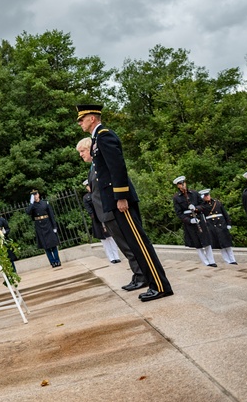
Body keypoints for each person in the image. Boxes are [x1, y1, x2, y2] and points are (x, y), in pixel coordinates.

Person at [77, 104, 172, 301]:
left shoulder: (104, 136)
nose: (79, 123)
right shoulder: (97, 138)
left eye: (81, 119)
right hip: (114, 201)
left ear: (92, 118)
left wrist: (120, 197)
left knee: (140, 243)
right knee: (135, 245)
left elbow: (117, 168)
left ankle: (160, 286)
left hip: (120, 200)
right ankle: (152, 283)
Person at [77, 137, 146, 291]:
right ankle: (138, 274)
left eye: (82, 151)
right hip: (106, 214)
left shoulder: (99, 166)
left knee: (128, 245)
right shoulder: (93, 168)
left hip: (111, 213)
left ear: (90, 149)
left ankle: (142, 275)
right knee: (124, 246)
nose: (81, 155)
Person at [172, 176, 216, 267]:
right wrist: (189, 220)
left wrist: (196, 208)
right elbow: (179, 213)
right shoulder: (176, 197)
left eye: (183, 183)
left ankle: (211, 261)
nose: (183, 185)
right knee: (197, 243)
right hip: (190, 222)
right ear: (178, 186)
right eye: (180, 184)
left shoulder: (194, 193)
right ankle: (205, 262)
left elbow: (203, 205)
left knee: (206, 241)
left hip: (199, 218)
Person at [197, 189, 237, 264]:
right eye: (205, 196)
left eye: (208, 195)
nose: (207, 197)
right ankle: (227, 261)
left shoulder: (217, 203)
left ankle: (233, 259)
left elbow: (225, 213)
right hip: (212, 225)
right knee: (220, 244)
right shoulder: (203, 206)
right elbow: (199, 211)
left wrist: (228, 223)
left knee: (227, 243)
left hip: (221, 224)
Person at [26, 189, 61, 267]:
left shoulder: (45, 203)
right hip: (39, 226)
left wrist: (54, 226)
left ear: (38, 195)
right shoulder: (32, 205)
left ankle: (57, 261)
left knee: (53, 244)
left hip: (48, 224)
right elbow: (28, 212)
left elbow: (51, 215)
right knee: (46, 247)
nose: (35, 196)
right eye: (33, 195)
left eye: (36, 194)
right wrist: (31, 203)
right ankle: (52, 262)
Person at [0, 204, 18, 273]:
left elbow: (8, 228)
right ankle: (7, 273)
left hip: (4, 240)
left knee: (9, 258)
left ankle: (14, 272)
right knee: (2, 259)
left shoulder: (1, 220)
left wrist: (4, 232)